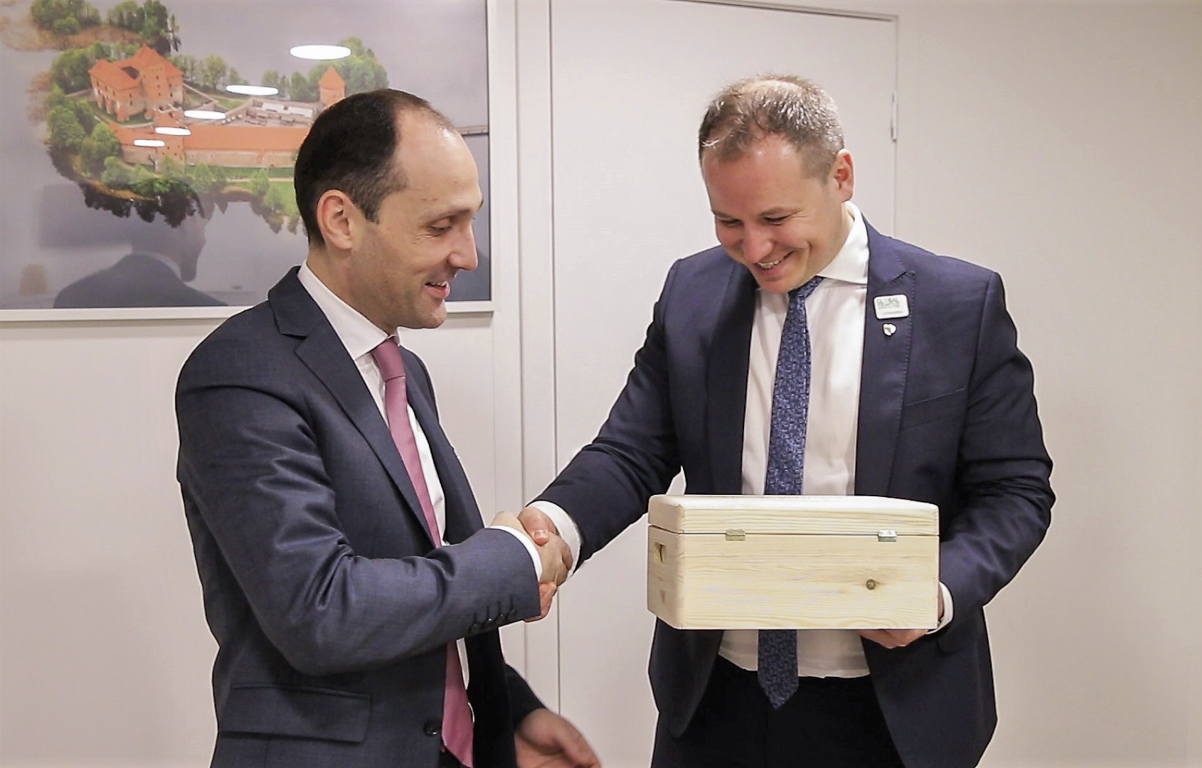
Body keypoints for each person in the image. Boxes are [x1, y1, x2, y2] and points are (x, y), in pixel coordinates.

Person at [520, 74, 1054, 768]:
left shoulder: (956, 304)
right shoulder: (691, 293)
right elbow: (630, 453)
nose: (754, 249)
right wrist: (551, 531)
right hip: (715, 701)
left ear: (841, 176)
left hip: (890, 711)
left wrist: (937, 593)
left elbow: (1015, 490)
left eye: (775, 218)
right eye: (728, 222)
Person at [176, 89, 597, 768]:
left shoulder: (405, 372)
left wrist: (508, 709)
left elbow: (421, 568)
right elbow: (321, 611)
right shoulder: (239, 374)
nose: (468, 255)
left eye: (470, 222)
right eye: (441, 226)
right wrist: (513, 557)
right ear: (341, 219)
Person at [54, 187, 223, 308]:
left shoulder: (72, 298)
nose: (204, 240)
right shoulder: (205, 312)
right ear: (185, 223)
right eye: (203, 227)